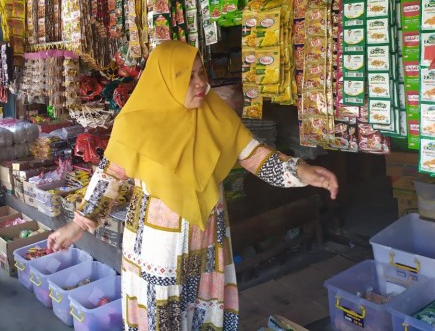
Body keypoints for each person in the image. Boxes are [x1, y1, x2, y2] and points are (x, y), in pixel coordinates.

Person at [48, 40, 338, 331]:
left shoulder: (215, 113)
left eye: (201, 73)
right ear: (165, 79)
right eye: (187, 76)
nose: (201, 83)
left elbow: (255, 156)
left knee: (206, 312)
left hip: (208, 238)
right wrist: (78, 225)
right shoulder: (135, 123)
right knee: (163, 317)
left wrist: (302, 171)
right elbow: (108, 178)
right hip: (160, 246)